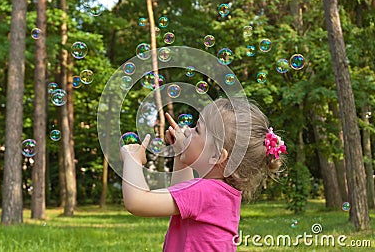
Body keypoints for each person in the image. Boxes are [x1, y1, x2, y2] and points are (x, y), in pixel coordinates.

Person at [120, 97, 287, 251]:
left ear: (217, 156)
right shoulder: (219, 193)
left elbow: (137, 202)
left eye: (197, 129)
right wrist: (180, 152)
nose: (187, 131)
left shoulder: (205, 191)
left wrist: (132, 159)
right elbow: (182, 192)